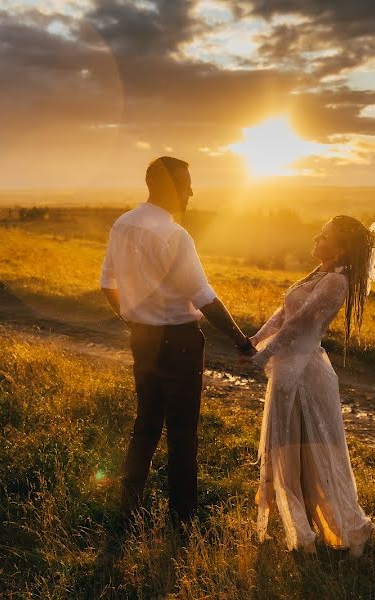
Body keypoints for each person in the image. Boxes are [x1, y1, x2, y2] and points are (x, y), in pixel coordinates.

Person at [100, 156, 256, 528]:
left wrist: (134, 320)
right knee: (183, 433)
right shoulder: (175, 235)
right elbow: (203, 296)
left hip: (143, 339)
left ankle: (129, 511)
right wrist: (241, 341)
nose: (190, 191)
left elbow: (108, 284)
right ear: (168, 187)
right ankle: (181, 521)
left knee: (146, 424)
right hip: (180, 343)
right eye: (185, 184)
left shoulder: (122, 225)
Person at [245, 214, 375, 556]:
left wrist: (263, 357)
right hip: (287, 371)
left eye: (323, 237)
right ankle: (305, 531)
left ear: (339, 250)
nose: (315, 239)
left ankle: (351, 529)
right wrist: (255, 340)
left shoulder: (336, 283)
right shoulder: (318, 275)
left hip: (307, 375)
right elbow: (282, 314)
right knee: (288, 451)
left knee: (317, 452)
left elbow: (299, 323)